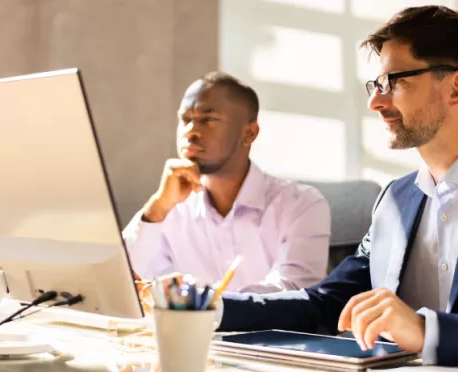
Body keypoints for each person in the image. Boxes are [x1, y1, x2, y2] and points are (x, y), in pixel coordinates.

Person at [216, 5, 458, 367]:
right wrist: (210, 306)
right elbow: (327, 303)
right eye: (377, 84)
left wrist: (428, 331)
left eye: (393, 82)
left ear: (457, 87)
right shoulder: (395, 199)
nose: (375, 101)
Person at [123, 72, 330, 294]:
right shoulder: (172, 209)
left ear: (249, 133)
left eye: (208, 119)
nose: (190, 132)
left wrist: (202, 303)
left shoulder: (303, 205)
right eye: (185, 119)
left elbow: (293, 291)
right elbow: (123, 279)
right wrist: (157, 208)